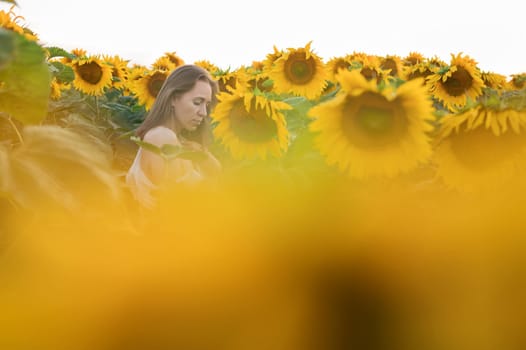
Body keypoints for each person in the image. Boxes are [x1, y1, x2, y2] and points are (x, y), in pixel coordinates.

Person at [126, 64, 222, 209]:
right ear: (173, 98)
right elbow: (178, 205)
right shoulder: (162, 137)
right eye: (197, 102)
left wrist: (204, 156)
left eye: (207, 105)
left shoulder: (173, 139)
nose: (203, 112)